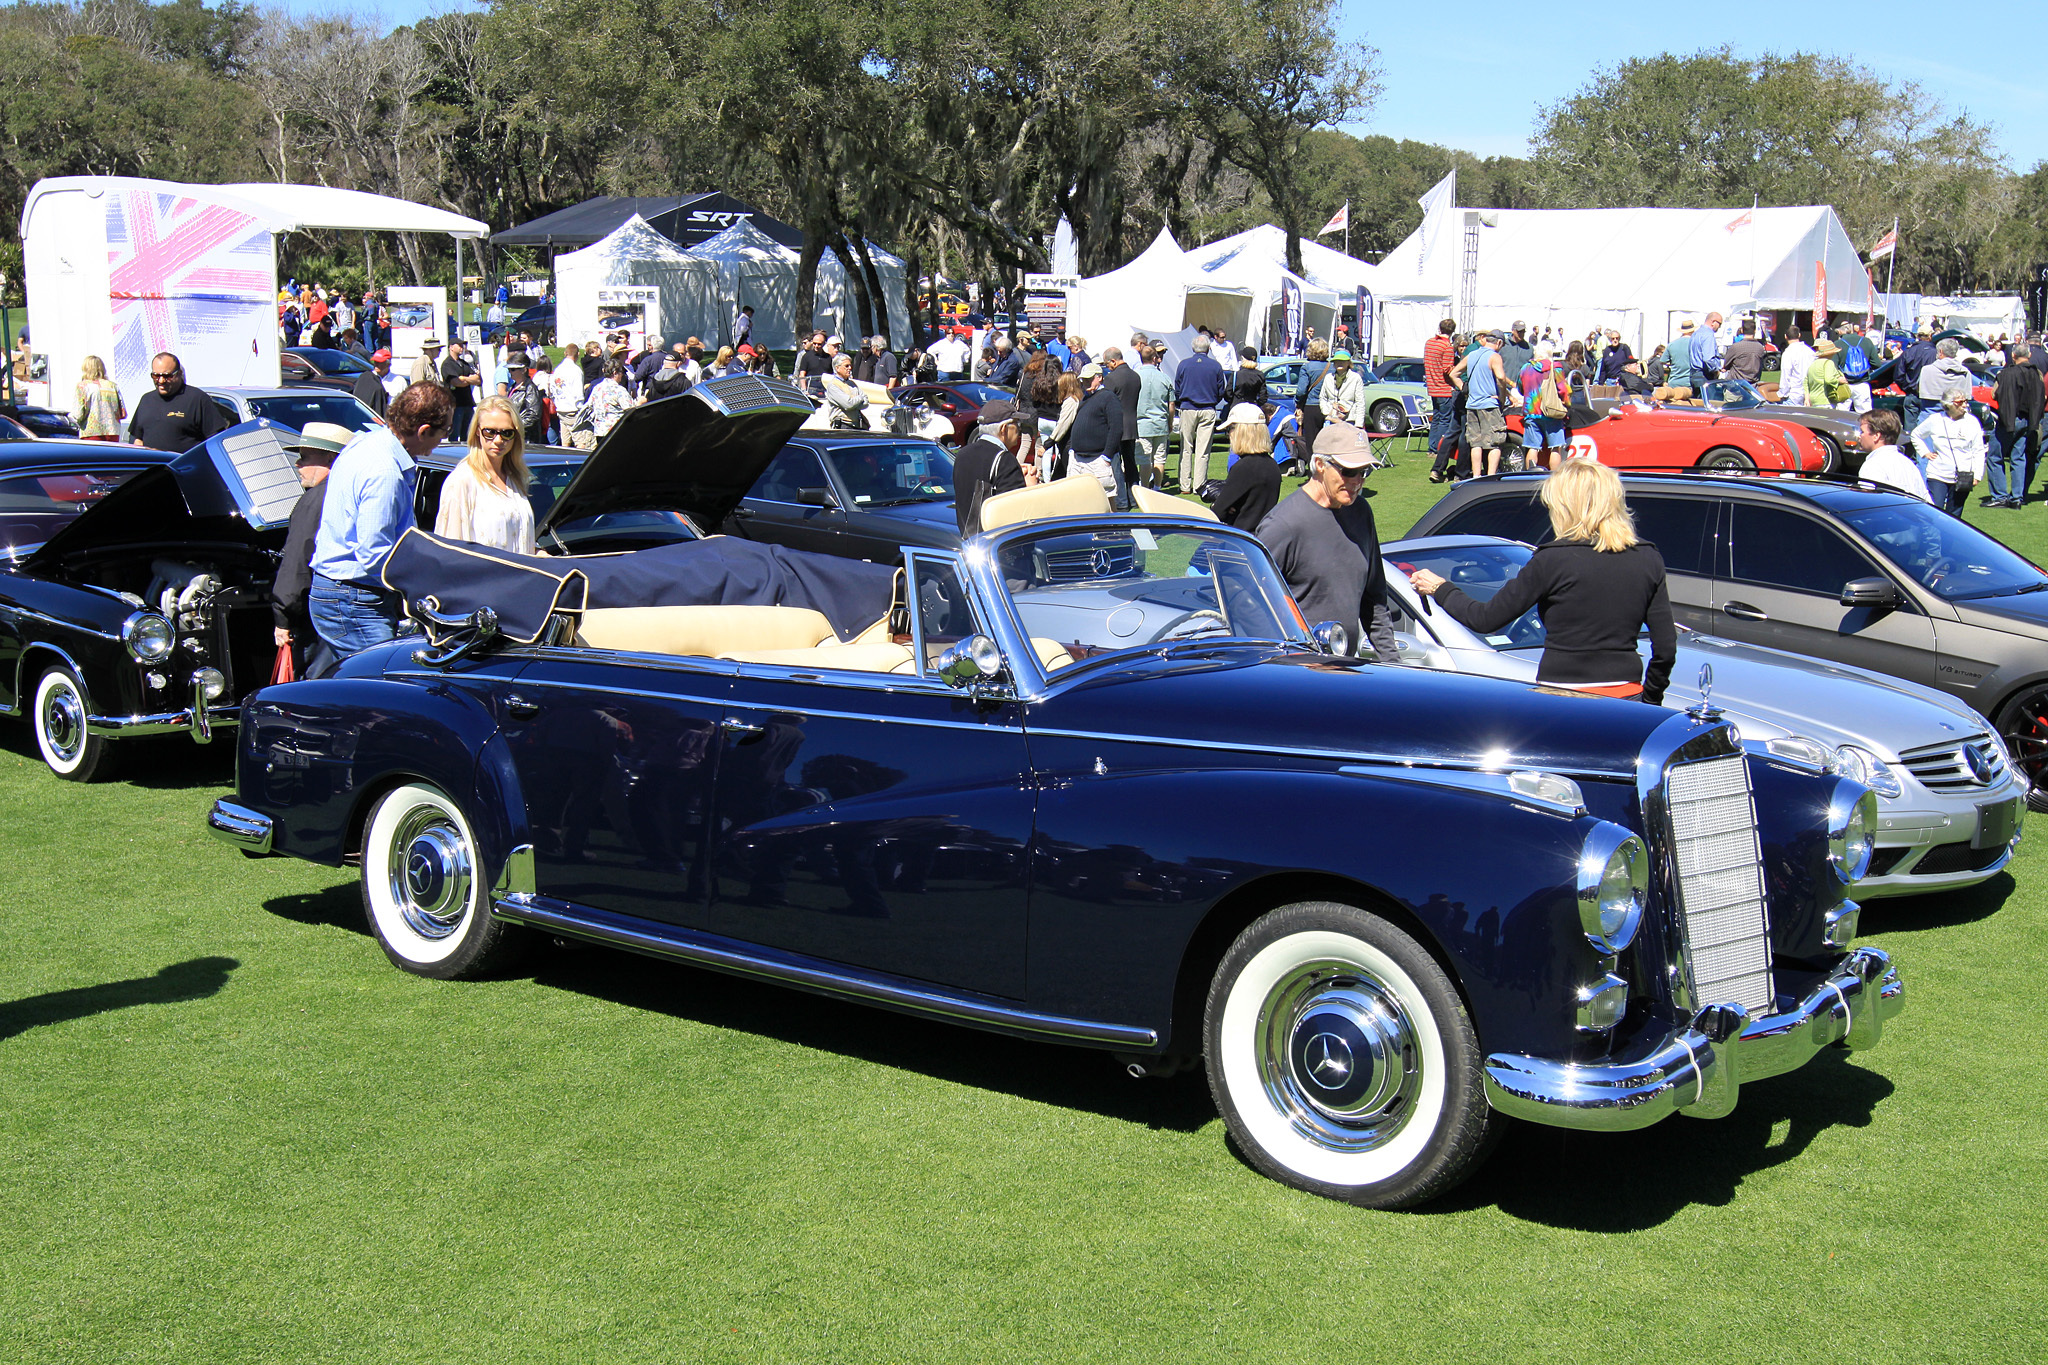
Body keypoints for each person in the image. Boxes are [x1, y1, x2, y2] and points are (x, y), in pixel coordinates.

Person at [1411, 458, 1675, 702]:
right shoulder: (1647, 556)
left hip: (1563, 695)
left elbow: (1485, 618)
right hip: (1628, 694)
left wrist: (1440, 588)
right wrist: (1650, 699)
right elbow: (1665, 648)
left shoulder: (1553, 559)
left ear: (1564, 506)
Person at [308, 383, 451, 660]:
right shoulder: (385, 473)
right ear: (423, 431)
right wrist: (421, 583)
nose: (444, 439)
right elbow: (374, 553)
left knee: (354, 685)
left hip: (343, 593)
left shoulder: (366, 442)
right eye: (444, 431)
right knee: (382, 681)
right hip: (353, 599)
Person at [1256, 422, 1397, 662]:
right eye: (1348, 471)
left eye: (1364, 471)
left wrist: (1393, 665)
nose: (1357, 481)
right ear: (1320, 465)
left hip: (1344, 671)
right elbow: (1250, 603)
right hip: (1297, 676)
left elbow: (1374, 599)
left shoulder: (1360, 512)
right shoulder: (1283, 525)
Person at [269, 422, 353, 679]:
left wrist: (283, 616)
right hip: (352, 610)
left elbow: (297, 559)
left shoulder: (315, 499)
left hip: (316, 619)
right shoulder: (352, 491)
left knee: (316, 687)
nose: (298, 465)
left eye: (305, 457)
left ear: (330, 458)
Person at [436, 396, 536, 553]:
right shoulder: (462, 480)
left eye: (507, 433)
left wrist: (538, 553)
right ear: (477, 431)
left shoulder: (515, 478)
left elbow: (518, 538)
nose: (498, 440)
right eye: (490, 432)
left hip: (522, 576)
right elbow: (449, 552)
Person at [952, 399, 1041, 533]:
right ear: (1004, 429)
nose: (1019, 429)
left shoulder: (962, 455)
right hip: (997, 543)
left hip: (969, 541)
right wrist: (1029, 487)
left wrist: (1016, 474)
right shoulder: (1004, 460)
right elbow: (1014, 513)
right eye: (1016, 424)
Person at [127, 352, 231, 452]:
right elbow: (136, 437)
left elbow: (215, 440)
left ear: (179, 374)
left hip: (184, 468)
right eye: (156, 376)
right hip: (152, 467)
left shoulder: (197, 399)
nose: (161, 381)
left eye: (167, 376)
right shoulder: (146, 400)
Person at [1171, 334, 1230, 495]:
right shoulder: (1215, 366)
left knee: (1186, 447)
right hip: (1207, 408)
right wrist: (1211, 400)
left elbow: (1177, 387)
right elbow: (1220, 390)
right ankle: (1199, 485)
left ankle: (1184, 485)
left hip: (1188, 408)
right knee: (1203, 450)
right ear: (1209, 348)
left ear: (1192, 348)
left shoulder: (1183, 364)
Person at [1913, 388, 1987, 514]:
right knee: (1934, 511)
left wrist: (1977, 475)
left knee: (1955, 514)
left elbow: (1978, 450)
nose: (1965, 405)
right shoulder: (1935, 419)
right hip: (1937, 474)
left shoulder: (1972, 421)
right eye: (1960, 402)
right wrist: (1925, 452)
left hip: (1963, 476)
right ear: (1949, 404)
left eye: (1965, 401)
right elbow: (1916, 435)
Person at [1210, 403, 1282, 531]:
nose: (1229, 435)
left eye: (1231, 429)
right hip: (1261, 536)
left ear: (1242, 432)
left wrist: (1216, 504)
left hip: (1239, 539)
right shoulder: (1272, 464)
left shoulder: (1243, 468)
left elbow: (1218, 513)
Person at [1449, 332, 1510, 477]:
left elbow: (1453, 374)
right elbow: (1501, 377)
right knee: (1495, 442)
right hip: (1489, 404)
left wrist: (1465, 390)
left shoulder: (1472, 355)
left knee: (1475, 443)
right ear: (1499, 343)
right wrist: (1502, 396)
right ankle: (1490, 476)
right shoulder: (1495, 356)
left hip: (1472, 404)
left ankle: (1476, 476)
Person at [1991, 345, 2043, 506]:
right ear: (2029, 355)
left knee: (1995, 456)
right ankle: (2017, 497)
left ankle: (2000, 496)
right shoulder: (2037, 374)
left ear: (2013, 355)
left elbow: (1994, 393)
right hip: (2028, 420)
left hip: (2009, 418)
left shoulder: (2006, 373)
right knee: (2018, 457)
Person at [1062, 364, 1122, 499]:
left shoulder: (1108, 397)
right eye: (1083, 380)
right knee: (1077, 499)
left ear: (1099, 377)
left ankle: (1112, 521)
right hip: (1078, 459)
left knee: (1105, 498)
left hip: (1098, 459)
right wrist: (1072, 450)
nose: (1086, 383)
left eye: (1089, 379)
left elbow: (1116, 428)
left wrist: (1106, 457)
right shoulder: (1086, 398)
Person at [1854, 409, 1929, 501]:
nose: (1859, 436)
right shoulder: (1908, 463)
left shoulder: (1873, 465)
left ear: (1876, 436)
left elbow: (1870, 502)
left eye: (1862, 432)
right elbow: (1926, 499)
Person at [1100, 346, 1141, 506]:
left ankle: (1121, 500)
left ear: (1113, 361)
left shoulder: (1111, 379)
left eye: (1107, 363)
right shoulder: (1135, 376)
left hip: (1116, 426)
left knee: (1116, 464)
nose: (1107, 367)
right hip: (1131, 424)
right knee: (1131, 463)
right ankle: (1135, 498)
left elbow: (1107, 402)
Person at [1519, 342, 1570, 470]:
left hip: (1531, 411)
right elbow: (1563, 389)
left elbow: (1520, 388)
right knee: (1555, 447)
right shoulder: (1555, 367)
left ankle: (1530, 475)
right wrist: (1567, 404)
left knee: (1533, 447)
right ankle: (1554, 476)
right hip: (1550, 412)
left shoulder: (1525, 367)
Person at [1423, 321, 1458, 482]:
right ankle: (1438, 449)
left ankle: (1432, 447)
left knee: (1436, 418)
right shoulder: (1447, 347)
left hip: (1432, 386)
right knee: (1445, 419)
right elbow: (1447, 369)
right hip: (1444, 387)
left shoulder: (1430, 343)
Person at [1134, 345, 1173, 488]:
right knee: (1159, 459)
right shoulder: (1164, 377)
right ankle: (1157, 487)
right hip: (1160, 423)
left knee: (1144, 460)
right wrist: (1169, 422)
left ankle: (1144, 488)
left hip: (1142, 424)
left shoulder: (1135, 376)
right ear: (1155, 358)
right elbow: (1171, 404)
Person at [72, 355, 125, 441]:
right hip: (112, 433)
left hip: (91, 433)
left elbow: (78, 414)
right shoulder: (113, 386)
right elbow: (122, 413)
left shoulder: (82, 386)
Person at [440, 338, 482, 439]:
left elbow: (478, 380)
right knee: (454, 435)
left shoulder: (464, 364)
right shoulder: (447, 365)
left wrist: (464, 378)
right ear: (451, 347)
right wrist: (466, 380)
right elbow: (456, 382)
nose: (462, 348)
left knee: (468, 436)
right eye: (459, 345)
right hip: (456, 405)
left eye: (462, 345)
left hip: (468, 403)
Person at [1299, 338, 1333, 462]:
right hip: (1329, 407)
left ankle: (1313, 471)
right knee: (1327, 440)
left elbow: (1301, 390)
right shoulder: (1332, 366)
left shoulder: (1307, 367)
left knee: (1311, 441)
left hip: (1311, 405)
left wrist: (1297, 403)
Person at [585, 359, 632, 442]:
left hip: (600, 431)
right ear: (615, 373)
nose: (622, 375)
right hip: (615, 431)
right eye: (620, 372)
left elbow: (590, 406)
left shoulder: (597, 388)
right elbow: (630, 410)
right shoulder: (619, 390)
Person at [1318, 348, 1365, 428]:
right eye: (1337, 361)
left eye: (1343, 361)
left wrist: (1359, 425)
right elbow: (1322, 398)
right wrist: (1326, 412)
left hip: (1349, 421)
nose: (1340, 363)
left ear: (1348, 363)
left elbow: (1360, 402)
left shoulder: (1355, 378)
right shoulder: (1328, 378)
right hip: (1330, 420)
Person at [506, 359, 548, 445]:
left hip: (527, 438)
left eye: (513, 369)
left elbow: (534, 414)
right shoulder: (513, 387)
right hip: (514, 436)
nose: (510, 371)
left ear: (524, 370)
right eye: (509, 369)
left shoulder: (530, 388)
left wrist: (516, 426)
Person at [822, 353, 868, 429]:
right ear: (837, 368)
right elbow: (848, 404)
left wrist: (854, 402)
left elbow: (866, 402)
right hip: (843, 425)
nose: (850, 368)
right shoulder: (833, 386)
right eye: (846, 366)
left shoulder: (852, 384)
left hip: (856, 424)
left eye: (850, 365)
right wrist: (860, 398)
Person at [1804, 339, 1850, 410]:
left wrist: (1807, 398)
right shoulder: (1828, 363)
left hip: (1814, 400)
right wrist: (1839, 380)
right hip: (1826, 400)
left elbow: (1806, 382)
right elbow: (1829, 379)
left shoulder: (1813, 364)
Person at [1660, 320, 1699, 401]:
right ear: (1692, 330)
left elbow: (1663, 361)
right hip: (1688, 383)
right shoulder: (1695, 344)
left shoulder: (1672, 344)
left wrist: (1673, 362)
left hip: (1674, 382)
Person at [353, 349, 394, 420]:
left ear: (388, 364)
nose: (376, 364)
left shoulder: (399, 381)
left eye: (379, 362)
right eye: (375, 362)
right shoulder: (365, 378)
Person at [1723, 320, 1766, 385]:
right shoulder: (1760, 348)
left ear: (1742, 330)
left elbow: (1725, 364)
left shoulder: (1736, 347)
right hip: (1753, 385)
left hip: (1736, 385)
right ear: (1755, 331)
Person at [1777, 328, 1813, 405]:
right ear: (1799, 335)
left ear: (1785, 336)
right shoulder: (1810, 351)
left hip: (1794, 394)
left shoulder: (1788, 353)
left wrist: (1782, 393)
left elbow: (1786, 376)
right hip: (1809, 393)